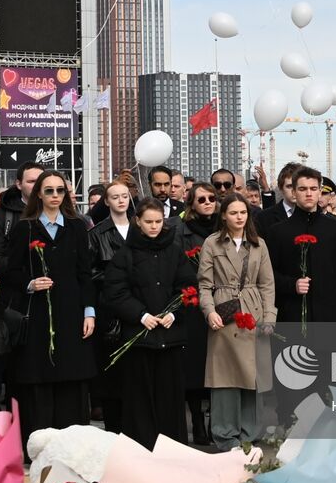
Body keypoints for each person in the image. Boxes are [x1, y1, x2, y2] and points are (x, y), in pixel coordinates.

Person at [2, 170, 96, 457]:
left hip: (71, 312)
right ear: (38, 194)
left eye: (60, 191)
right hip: (39, 314)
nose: (55, 196)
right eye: (49, 190)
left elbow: (85, 273)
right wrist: (29, 284)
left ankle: (72, 449)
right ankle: (38, 449)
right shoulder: (24, 228)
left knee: (71, 377)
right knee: (39, 378)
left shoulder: (78, 227)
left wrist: (89, 312)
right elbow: (10, 272)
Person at [103, 198, 196, 449]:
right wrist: (141, 315)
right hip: (139, 339)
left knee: (170, 398)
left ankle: (172, 449)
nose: (154, 226)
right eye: (149, 222)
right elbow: (114, 292)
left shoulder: (174, 251)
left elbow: (188, 287)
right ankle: (141, 448)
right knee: (139, 399)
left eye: (158, 221)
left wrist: (174, 313)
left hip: (170, 336)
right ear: (138, 222)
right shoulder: (126, 254)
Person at [199, 194, 274, 450]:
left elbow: (267, 284)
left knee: (252, 376)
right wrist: (209, 311)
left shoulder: (258, 244)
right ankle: (224, 434)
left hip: (253, 312)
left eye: (243, 212)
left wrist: (269, 318)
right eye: (234, 213)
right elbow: (204, 284)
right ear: (223, 216)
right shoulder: (212, 243)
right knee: (224, 376)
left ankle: (248, 434)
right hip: (225, 310)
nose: (239, 217)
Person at [266, 167, 336, 337]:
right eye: (302, 189)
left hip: (329, 315)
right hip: (291, 314)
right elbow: (268, 275)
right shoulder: (278, 232)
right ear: (293, 191)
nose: (308, 193)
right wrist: (292, 285)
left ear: (320, 192)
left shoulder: (335, 229)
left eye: (313, 189)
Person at [89, 178, 136, 431]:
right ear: (106, 201)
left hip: (140, 308)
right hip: (110, 310)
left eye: (125, 195)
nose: (121, 200)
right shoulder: (97, 234)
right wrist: (120, 277)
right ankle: (114, 428)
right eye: (115, 196)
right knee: (111, 373)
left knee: (135, 373)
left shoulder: (140, 228)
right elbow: (91, 272)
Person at [176, 183, 220, 444]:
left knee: (219, 365)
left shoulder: (223, 227)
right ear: (191, 202)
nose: (207, 202)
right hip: (192, 304)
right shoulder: (179, 231)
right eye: (201, 198)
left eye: (211, 198)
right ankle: (197, 421)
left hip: (221, 303)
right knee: (195, 366)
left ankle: (216, 419)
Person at [256, 163, 302, 233]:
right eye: (289, 186)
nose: (294, 190)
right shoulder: (264, 218)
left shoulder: (315, 217)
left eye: (299, 186)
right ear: (281, 188)